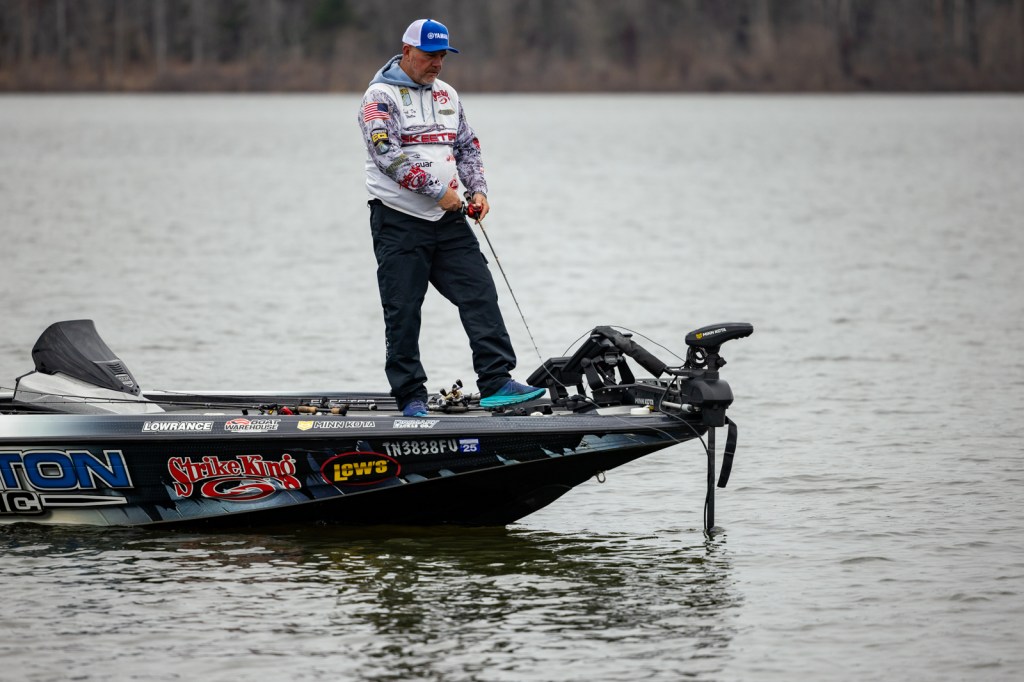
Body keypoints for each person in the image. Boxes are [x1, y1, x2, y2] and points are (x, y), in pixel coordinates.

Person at [358, 18, 544, 417]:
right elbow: (386, 154)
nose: (438, 63)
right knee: (403, 311)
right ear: (407, 52)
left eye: (443, 55)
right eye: (430, 55)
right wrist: (437, 191)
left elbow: (467, 147)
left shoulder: (448, 95)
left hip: (449, 218)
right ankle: (410, 396)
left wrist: (478, 190)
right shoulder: (379, 97)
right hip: (398, 220)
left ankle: (497, 382)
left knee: (480, 294)